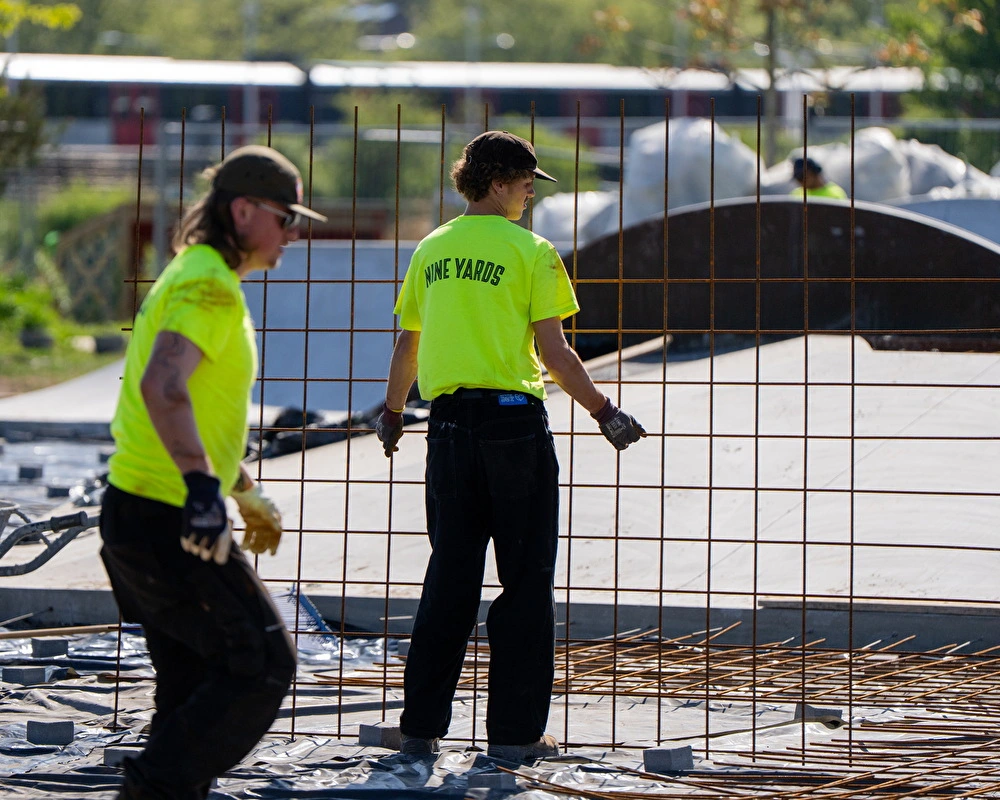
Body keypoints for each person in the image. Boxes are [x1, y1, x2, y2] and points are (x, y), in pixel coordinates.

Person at [375, 130, 647, 762]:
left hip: (445, 429)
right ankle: (516, 736)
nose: (531, 191)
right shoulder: (532, 251)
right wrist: (604, 411)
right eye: (526, 181)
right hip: (513, 431)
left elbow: (408, 346)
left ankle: (419, 729)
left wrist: (393, 412)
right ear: (498, 183)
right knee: (524, 582)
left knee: (449, 578)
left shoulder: (431, 250)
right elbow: (555, 354)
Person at [99, 145, 327, 799]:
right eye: (287, 219)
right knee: (260, 665)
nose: (292, 235)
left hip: (141, 512)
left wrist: (244, 491)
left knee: (196, 679)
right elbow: (164, 385)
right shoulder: (208, 286)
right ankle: (148, 790)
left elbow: (193, 406)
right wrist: (204, 488)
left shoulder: (191, 274)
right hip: (168, 516)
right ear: (244, 210)